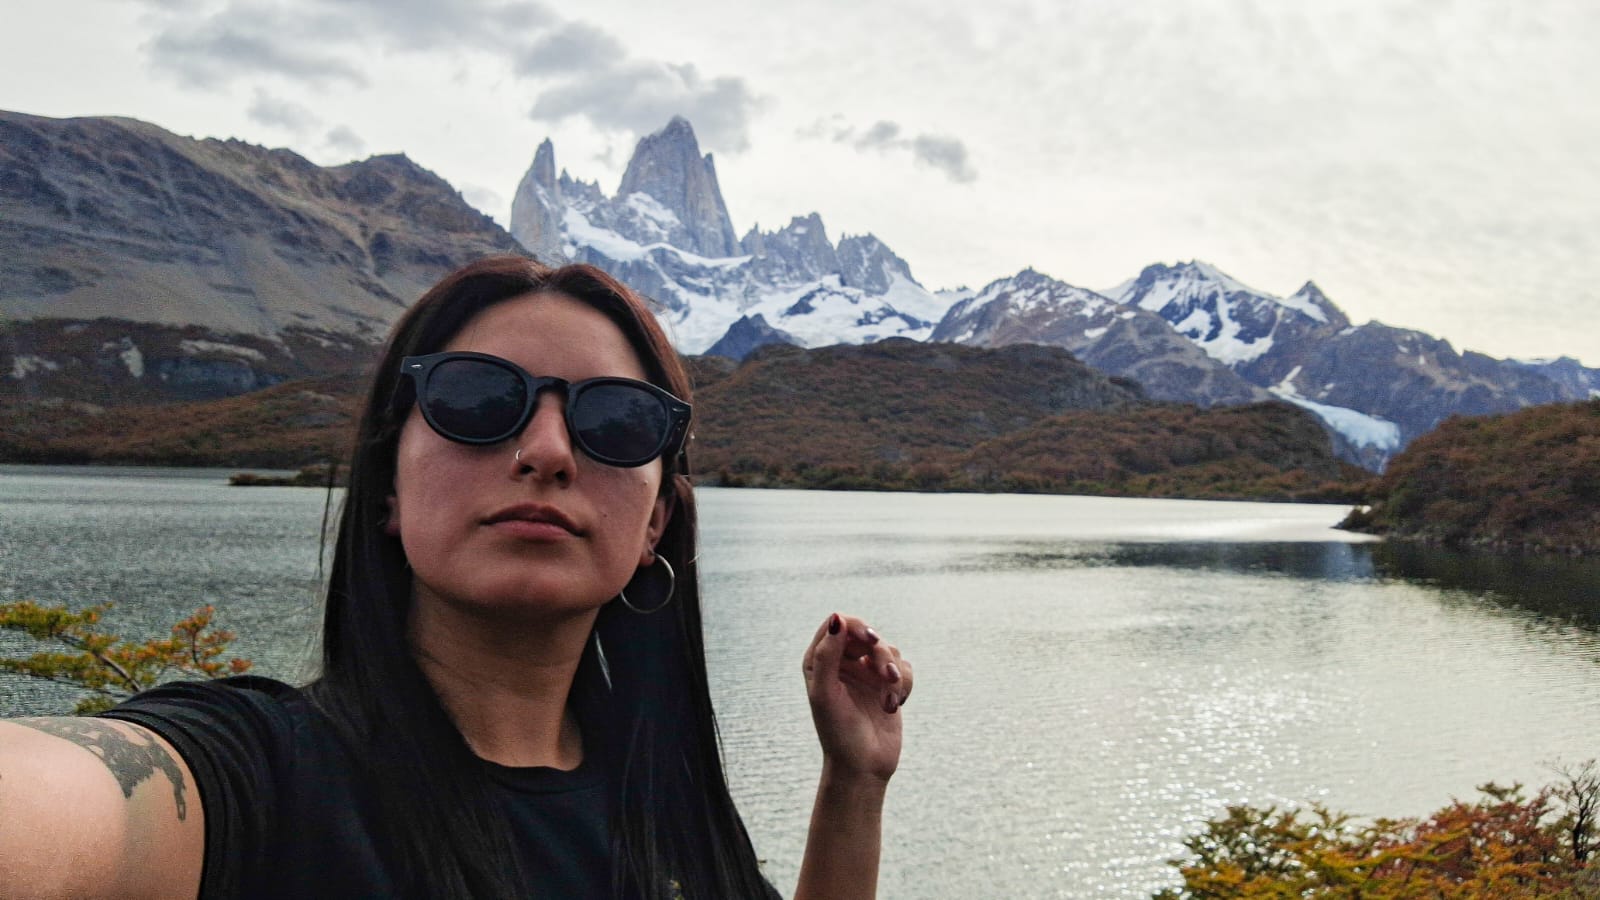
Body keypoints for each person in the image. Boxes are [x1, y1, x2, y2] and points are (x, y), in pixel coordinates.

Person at [0, 257, 912, 899]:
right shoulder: (260, 780)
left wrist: (855, 781)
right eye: (476, 399)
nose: (547, 451)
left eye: (618, 421)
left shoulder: (669, 818)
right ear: (388, 489)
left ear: (655, 525)